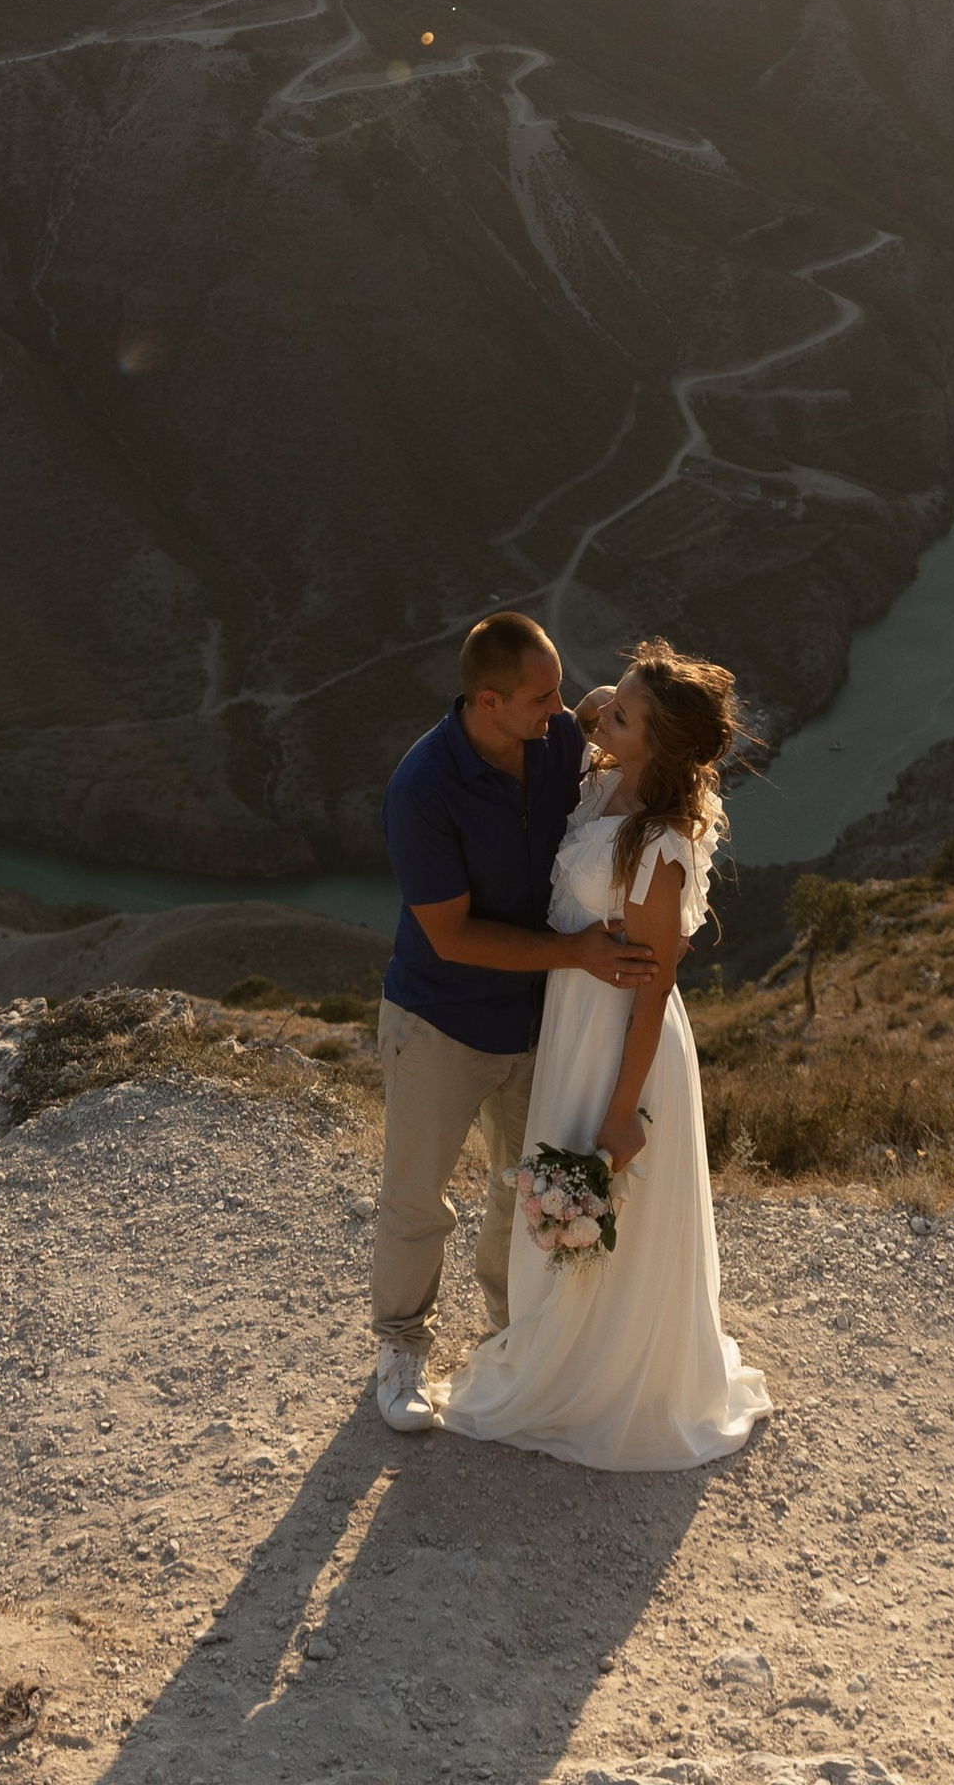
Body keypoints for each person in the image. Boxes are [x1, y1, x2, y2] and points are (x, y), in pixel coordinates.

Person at [440, 637, 772, 1471]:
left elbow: (653, 991)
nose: (597, 718)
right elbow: (591, 707)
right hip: (573, 1023)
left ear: (659, 747)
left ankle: (607, 1379)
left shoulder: (659, 845)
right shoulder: (607, 775)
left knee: (604, 1190)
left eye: (623, 718)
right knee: (560, 1184)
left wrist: (624, 1112)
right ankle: (557, 1351)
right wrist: (616, 708)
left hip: (624, 1037)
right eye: (612, 707)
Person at [373, 612, 657, 1433]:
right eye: (543, 697)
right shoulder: (422, 789)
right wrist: (575, 955)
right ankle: (401, 1350)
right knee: (417, 1198)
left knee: (523, 1190)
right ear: (488, 702)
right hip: (440, 1021)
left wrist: (605, 707)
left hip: (539, 1021)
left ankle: (513, 1342)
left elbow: (606, 724)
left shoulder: (556, 738)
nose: (562, 709)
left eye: (561, 692)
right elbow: (451, 935)